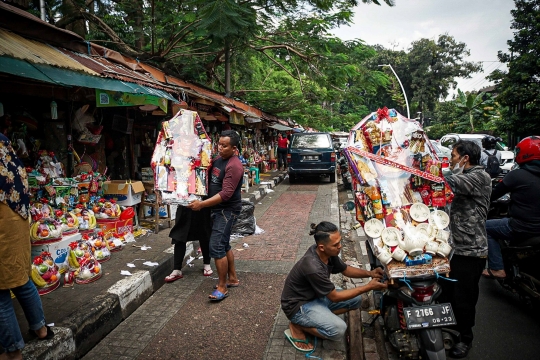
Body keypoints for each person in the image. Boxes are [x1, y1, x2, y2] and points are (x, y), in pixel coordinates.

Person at [280, 221, 387, 352]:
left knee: (357, 300)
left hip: (316, 297)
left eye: (340, 242)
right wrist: (369, 286)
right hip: (297, 306)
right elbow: (335, 297)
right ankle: (298, 326)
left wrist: (370, 273)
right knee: (338, 331)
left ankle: (318, 318)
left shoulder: (328, 253)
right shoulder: (313, 266)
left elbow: (345, 269)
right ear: (321, 247)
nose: (340, 246)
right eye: (336, 245)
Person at [0, 134, 54, 360]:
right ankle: (41, 328)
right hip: (18, 227)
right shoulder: (14, 167)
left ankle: (13, 351)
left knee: (1, 292)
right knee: (22, 280)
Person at [441, 140, 491, 359]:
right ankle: (446, 328)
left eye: (453, 156)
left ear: (465, 158)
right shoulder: (465, 174)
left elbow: (451, 182)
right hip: (453, 247)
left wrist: (431, 169)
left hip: (471, 250)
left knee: (464, 297)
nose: (451, 160)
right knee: (446, 292)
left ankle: (465, 338)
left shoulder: (480, 177)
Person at [188, 130, 244, 301]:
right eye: (219, 144)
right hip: (217, 210)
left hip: (227, 211)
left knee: (216, 247)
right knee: (224, 244)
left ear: (234, 148)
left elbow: (226, 194)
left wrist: (201, 205)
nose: (220, 148)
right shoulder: (218, 160)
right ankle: (232, 278)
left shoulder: (234, 166)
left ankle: (222, 286)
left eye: (224, 146)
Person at [483, 136, 540, 279]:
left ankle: (497, 268)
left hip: (522, 226)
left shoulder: (517, 175)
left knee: (485, 228)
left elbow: (492, 195)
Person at [164, 205, 212, 283]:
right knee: (179, 235)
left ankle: (207, 263)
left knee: (204, 234)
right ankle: (177, 269)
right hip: (185, 205)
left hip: (203, 205)